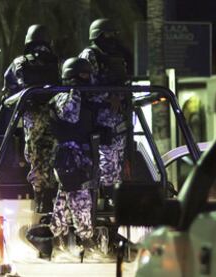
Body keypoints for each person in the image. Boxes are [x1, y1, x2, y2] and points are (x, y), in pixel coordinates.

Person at [3, 24, 59, 213]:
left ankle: (42, 198)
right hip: (56, 115)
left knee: (35, 157)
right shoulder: (56, 62)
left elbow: (8, 92)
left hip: (33, 116)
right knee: (54, 155)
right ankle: (53, 195)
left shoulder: (19, 62)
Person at [79, 18, 131, 208]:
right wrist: (110, 97)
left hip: (117, 119)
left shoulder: (115, 56)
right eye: (107, 35)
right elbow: (85, 87)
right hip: (100, 118)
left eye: (113, 35)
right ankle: (108, 197)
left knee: (117, 160)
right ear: (98, 35)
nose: (111, 39)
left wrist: (122, 96)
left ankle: (113, 197)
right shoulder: (90, 55)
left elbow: (123, 82)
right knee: (106, 159)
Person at [49, 57, 98, 256]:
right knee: (78, 194)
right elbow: (70, 116)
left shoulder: (85, 97)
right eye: (83, 75)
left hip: (81, 154)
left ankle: (58, 239)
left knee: (66, 195)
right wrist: (77, 92)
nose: (87, 79)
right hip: (69, 155)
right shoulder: (64, 97)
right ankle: (86, 240)